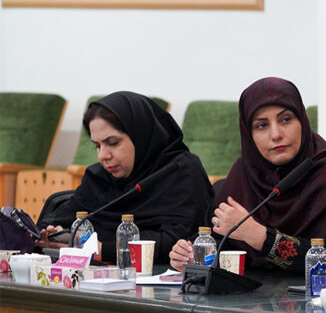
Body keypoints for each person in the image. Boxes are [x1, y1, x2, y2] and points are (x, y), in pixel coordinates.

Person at [169, 78, 326, 274]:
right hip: (248, 293)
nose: (276, 134)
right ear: (249, 134)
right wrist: (194, 254)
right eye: (261, 125)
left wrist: (260, 236)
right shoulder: (244, 173)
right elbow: (222, 242)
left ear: (302, 121)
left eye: (286, 119)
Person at [37, 92, 211, 263]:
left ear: (140, 136)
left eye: (113, 143)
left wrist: (104, 251)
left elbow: (178, 240)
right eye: (97, 146)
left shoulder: (180, 171)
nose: (103, 156)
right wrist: (53, 234)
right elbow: (58, 218)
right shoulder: (99, 177)